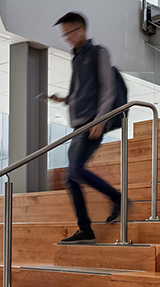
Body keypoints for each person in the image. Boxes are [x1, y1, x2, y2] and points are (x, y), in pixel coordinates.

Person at [50, 12, 124, 245]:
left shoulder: (97, 53)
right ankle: (85, 230)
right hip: (79, 125)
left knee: (76, 171)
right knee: (70, 177)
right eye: (64, 35)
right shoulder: (76, 57)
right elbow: (82, 91)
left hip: (92, 123)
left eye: (69, 33)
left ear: (81, 30)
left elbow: (108, 89)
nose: (67, 38)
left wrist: (101, 120)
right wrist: (64, 99)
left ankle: (117, 198)